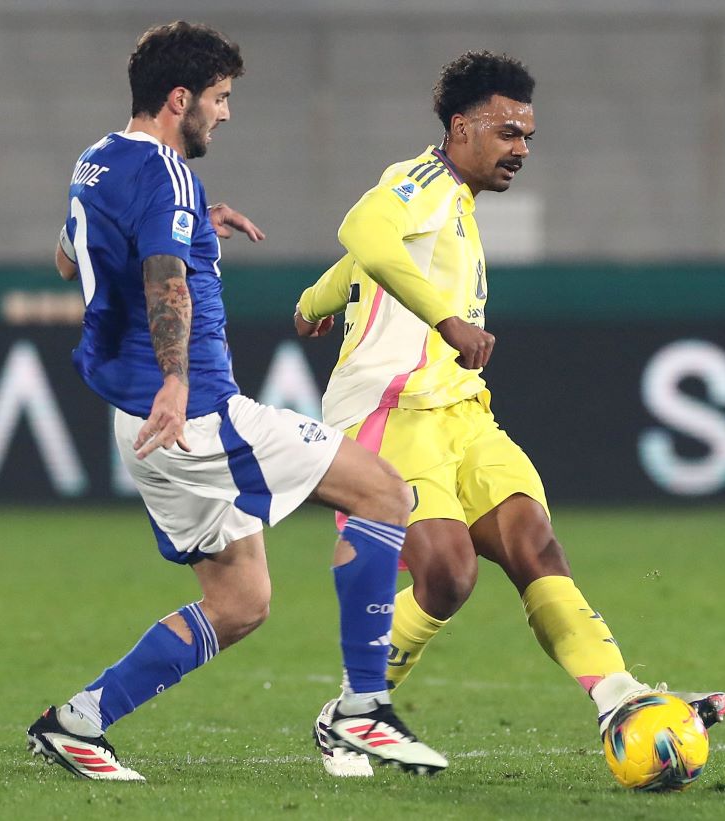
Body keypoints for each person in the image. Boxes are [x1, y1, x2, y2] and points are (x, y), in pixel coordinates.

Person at [25, 21, 447, 781]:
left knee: (242, 600)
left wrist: (192, 231)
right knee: (386, 492)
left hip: (140, 425)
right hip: (198, 415)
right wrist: (179, 377)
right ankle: (362, 709)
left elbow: (70, 257)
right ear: (179, 97)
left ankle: (77, 721)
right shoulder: (168, 174)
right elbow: (164, 279)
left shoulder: (97, 161)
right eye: (219, 98)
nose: (225, 113)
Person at [295, 50, 725, 778]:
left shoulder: (454, 205)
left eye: (527, 135)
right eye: (507, 133)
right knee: (447, 574)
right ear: (460, 127)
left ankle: (618, 695)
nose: (521, 149)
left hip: (463, 414)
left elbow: (370, 257)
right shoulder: (423, 180)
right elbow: (363, 230)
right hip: (389, 413)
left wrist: (315, 300)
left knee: (534, 543)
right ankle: (352, 711)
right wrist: (447, 322)